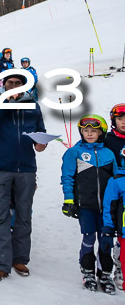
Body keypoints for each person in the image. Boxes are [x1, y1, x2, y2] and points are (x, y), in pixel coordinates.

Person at [0, 71, 47, 281]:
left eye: (18, 83)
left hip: (26, 169)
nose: (14, 85)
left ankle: (20, 259)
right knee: (0, 216)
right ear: (4, 85)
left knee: (24, 216)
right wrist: (4, 103)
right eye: (11, 83)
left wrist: (41, 143)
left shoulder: (33, 105)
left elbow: (40, 131)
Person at [61, 114, 116, 294]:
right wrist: (69, 200)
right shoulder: (74, 152)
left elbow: (116, 179)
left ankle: (105, 273)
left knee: (106, 239)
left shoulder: (108, 154)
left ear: (102, 132)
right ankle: (88, 271)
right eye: (86, 130)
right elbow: (67, 177)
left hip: (107, 206)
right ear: (81, 132)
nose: (90, 134)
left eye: (94, 130)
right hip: (85, 204)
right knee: (89, 237)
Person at [105, 103, 125, 286]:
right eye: (120, 119)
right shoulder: (108, 139)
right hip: (113, 192)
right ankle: (119, 268)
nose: (124, 122)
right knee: (119, 232)